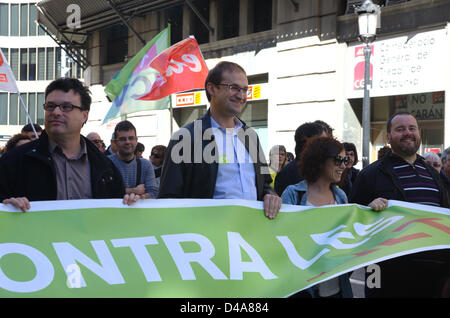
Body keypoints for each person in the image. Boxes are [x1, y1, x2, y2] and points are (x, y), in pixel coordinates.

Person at [159, 61, 281, 219]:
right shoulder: (184, 138)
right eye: (234, 88)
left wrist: (270, 195)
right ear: (211, 88)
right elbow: (168, 199)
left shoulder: (250, 136)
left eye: (245, 90)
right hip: (207, 237)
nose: (241, 96)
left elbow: (265, 183)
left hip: (250, 235)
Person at [349, 111, 450, 298]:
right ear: (388, 137)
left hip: (433, 274)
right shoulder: (370, 174)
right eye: (400, 129)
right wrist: (367, 210)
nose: (408, 133)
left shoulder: (433, 174)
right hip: (385, 272)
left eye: (412, 128)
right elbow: (352, 219)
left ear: (419, 133)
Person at [0, 77, 138, 211]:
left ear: (84, 115)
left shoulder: (106, 168)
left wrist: (130, 203)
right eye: (50, 106)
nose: (56, 112)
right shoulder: (14, 161)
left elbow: (115, 217)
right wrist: (5, 206)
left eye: (66, 107)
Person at [281, 136, 353, 298]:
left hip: (336, 287)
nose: (343, 165)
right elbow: (282, 239)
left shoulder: (340, 196)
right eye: (338, 160)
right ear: (320, 161)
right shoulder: (293, 194)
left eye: (345, 160)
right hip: (302, 287)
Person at [274, 121, 330, 196]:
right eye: (323, 142)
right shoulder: (287, 174)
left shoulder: (323, 169)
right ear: (307, 143)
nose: (327, 146)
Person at [109, 120, 158, 199]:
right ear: (115, 142)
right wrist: (134, 190)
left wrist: (139, 198)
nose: (127, 142)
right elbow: (103, 191)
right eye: (122, 139)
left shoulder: (146, 165)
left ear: (136, 140)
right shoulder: (106, 163)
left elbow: (154, 193)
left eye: (131, 138)